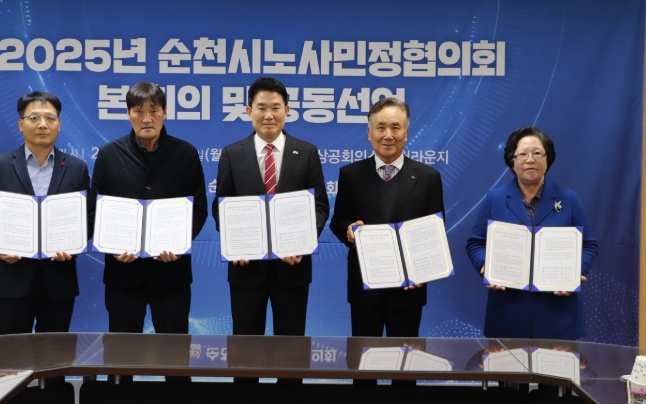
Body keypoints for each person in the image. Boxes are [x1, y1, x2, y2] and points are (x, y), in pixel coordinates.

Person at [212, 77, 329, 353]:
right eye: (261, 107)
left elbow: (320, 207)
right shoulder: (232, 154)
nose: (268, 115)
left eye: (275, 108)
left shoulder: (307, 153)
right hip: (246, 270)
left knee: (291, 352)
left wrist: (303, 243)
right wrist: (234, 244)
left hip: (293, 269)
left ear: (287, 110)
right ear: (248, 111)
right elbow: (221, 207)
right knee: (244, 352)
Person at [89, 82, 207, 348]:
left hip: (171, 273)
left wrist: (179, 244)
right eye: (138, 111)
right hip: (123, 274)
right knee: (121, 354)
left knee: (175, 353)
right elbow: (95, 210)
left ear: (165, 112)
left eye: (153, 111)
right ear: (128, 113)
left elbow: (198, 209)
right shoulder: (109, 154)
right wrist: (112, 248)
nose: (146, 118)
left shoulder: (185, 154)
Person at [0, 92, 90, 335]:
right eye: (34, 117)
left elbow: (88, 218)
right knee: (12, 355)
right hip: (12, 279)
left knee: (56, 354)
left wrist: (74, 245)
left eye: (50, 118)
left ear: (59, 124)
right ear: (20, 124)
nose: (43, 124)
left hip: (59, 280)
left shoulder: (76, 168)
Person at [465, 126, 598, 340]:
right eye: (523, 154)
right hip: (507, 313)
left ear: (547, 159)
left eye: (537, 153)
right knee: (508, 364)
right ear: (512, 160)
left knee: (557, 364)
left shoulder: (569, 198)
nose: (530, 160)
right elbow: (475, 243)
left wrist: (575, 273)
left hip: (559, 315)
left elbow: (589, 245)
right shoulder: (494, 199)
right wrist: (485, 267)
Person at [330, 97, 444, 341]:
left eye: (396, 127)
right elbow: (338, 220)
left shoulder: (428, 177)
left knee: (406, 359)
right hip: (365, 288)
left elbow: (435, 231)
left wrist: (422, 272)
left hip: (408, 288)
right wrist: (348, 230)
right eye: (381, 127)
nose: (388, 135)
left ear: (406, 133)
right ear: (369, 133)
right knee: (361, 359)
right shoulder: (351, 175)